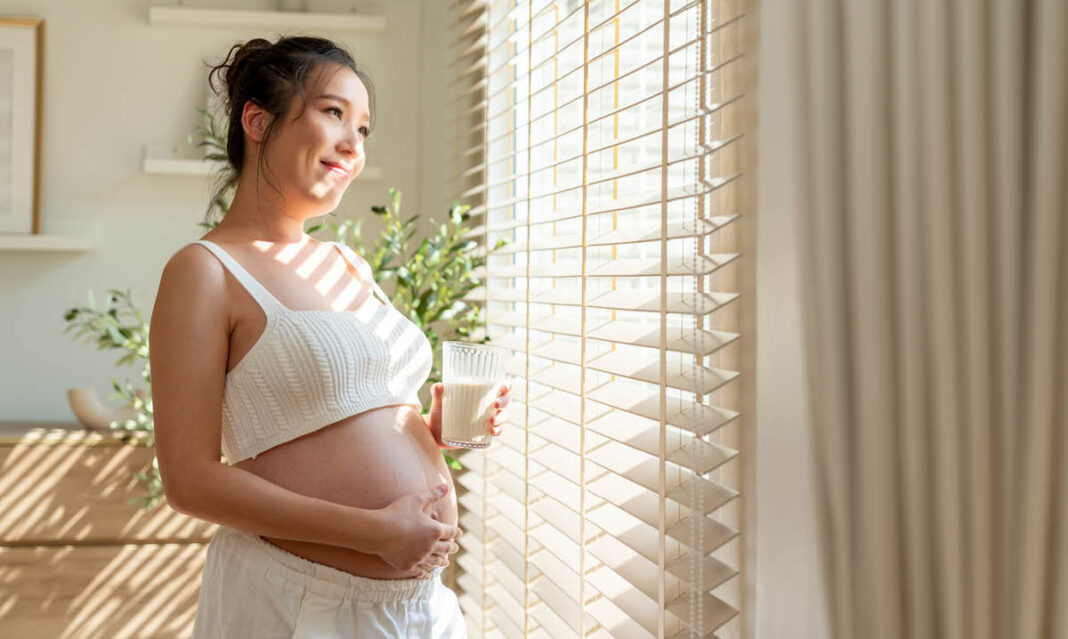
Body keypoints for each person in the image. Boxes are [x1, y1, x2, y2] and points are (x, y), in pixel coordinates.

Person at [148, 36, 511, 638]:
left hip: (419, 606)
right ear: (258, 120)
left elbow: (347, 422)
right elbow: (189, 481)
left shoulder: (346, 265)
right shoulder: (205, 271)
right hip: (300, 603)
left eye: (364, 128)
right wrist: (374, 532)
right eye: (334, 113)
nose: (353, 144)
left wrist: (433, 431)